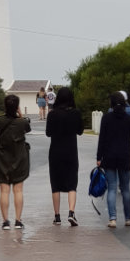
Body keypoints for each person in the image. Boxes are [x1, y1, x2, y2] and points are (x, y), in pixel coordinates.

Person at [96, 91, 130, 229]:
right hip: (125, 156)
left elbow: (102, 139)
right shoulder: (129, 118)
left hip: (109, 157)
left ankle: (112, 218)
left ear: (111, 103)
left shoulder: (106, 118)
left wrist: (99, 157)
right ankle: (128, 218)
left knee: (112, 188)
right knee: (125, 188)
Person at [0, 93, 31, 230]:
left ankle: (5, 222)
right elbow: (27, 128)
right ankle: (18, 221)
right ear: (17, 106)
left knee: (4, 191)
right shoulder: (22, 122)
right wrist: (20, 114)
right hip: (19, 159)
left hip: (2, 159)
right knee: (18, 191)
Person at [45, 86, 83, 226]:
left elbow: (48, 133)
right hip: (71, 151)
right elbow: (80, 131)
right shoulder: (76, 113)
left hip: (55, 152)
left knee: (55, 184)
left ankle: (57, 216)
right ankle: (71, 213)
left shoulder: (52, 114)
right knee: (72, 182)